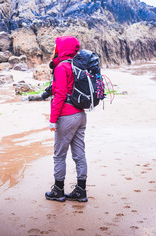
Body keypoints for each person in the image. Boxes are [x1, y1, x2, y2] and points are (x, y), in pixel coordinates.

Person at [45, 35, 88, 203]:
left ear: (62, 49)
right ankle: (81, 191)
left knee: (59, 155)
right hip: (81, 115)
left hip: (67, 116)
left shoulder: (62, 67)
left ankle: (58, 190)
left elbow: (61, 95)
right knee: (79, 154)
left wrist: (53, 119)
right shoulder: (78, 66)